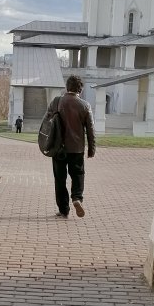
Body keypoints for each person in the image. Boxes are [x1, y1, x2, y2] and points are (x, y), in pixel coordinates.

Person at [42, 75, 95, 218]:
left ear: (67, 87)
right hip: (77, 149)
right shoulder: (85, 105)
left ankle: (64, 209)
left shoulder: (56, 102)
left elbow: (46, 123)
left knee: (60, 178)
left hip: (58, 148)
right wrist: (91, 148)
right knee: (78, 174)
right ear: (81, 89)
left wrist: (46, 142)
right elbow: (90, 129)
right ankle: (77, 198)